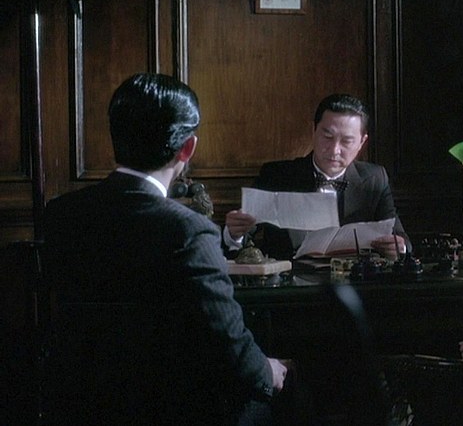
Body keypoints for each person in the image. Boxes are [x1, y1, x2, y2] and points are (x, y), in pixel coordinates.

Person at [41, 73, 288, 425]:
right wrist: (268, 371)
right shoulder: (188, 230)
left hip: (80, 402)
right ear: (187, 148)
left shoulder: (62, 213)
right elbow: (226, 341)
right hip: (173, 406)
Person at [224, 93, 409, 260]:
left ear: (362, 142)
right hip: (290, 282)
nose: (335, 150)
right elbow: (241, 235)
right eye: (327, 137)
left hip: (353, 281)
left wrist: (398, 247)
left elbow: (400, 239)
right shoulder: (276, 175)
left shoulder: (375, 179)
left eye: (346, 141)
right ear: (313, 130)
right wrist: (234, 234)